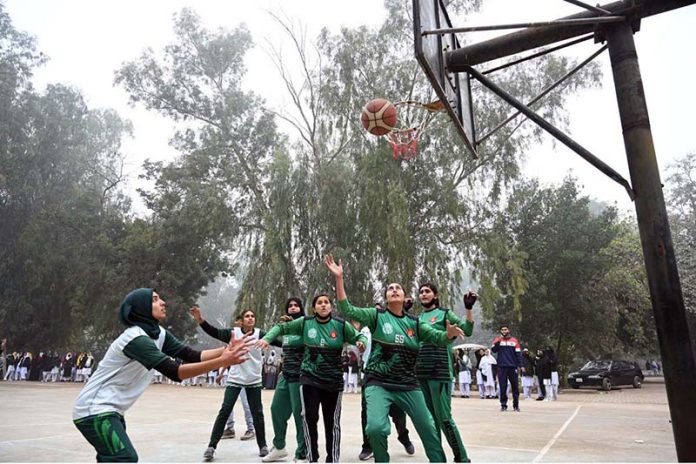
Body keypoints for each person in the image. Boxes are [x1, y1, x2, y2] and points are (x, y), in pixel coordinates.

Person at [73, 288, 251, 462]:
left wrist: (226, 349)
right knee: (125, 457)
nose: (163, 302)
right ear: (141, 307)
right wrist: (223, 361)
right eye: (155, 299)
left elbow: (191, 355)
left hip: (111, 411)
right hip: (94, 410)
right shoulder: (135, 339)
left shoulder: (158, 334)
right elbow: (174, 372)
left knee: (111, 458)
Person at [325, 255, 464, 463]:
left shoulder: (415, 324)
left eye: (398, 288)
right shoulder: (376, 316)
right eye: (390, 288)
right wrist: (339, 279)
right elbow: (347, 309)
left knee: (429, 428)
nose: (395, 290)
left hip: (408, 384)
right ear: (387, 297)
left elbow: (439, 338)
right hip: (378, 383)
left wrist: (450, 333)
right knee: (375, 428)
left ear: (405, 296)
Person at [257, 293, 367, 463]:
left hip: (332, 381)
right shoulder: (305, 323)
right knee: (308, 418)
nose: (323, 305)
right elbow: (280, 328)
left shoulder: (339, 325)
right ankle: (310, 457)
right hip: (308, 378)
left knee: (331, 422)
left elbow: (359, 336)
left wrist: (362, 342)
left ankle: (330, 458)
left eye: (326, 302)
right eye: (319, 303)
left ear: (331, 307)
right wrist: (267, 338)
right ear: (314, 308)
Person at [191, 307, 271, 461]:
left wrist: (290, 331)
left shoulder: (261, 334)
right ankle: (211, 447)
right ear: (241, 320)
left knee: (257, 413)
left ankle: (263, 445)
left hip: (253, 380)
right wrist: (200, 320)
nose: (250, 318)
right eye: (247, 316)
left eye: (252, 316)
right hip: (235, 378)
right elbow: (214, 331)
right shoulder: (233, 333)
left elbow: (279, 341)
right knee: (225, 410)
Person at [415, 283, 475, 462]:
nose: (423, 294)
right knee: (430, 421)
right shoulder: (417, 318)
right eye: (421, 292)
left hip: (440, 372)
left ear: (435, 295)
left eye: (427, 291)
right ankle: (437, 459)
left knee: (444, 419)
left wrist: (469, 308)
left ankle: (462, 458)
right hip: (421, 374)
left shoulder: (445, 314)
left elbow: (468, 330)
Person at [356, 316, 415, 461]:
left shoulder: (391, 327)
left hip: (390, 375)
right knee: (367, 412)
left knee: (398, 412)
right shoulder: (365, 331)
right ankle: (368, 445)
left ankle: (403, 436)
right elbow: (361, 343)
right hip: (370, 375)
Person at [261, 297, 308, 463]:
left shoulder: (306, 325)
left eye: (296, 305)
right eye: (290, 306)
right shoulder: (286, 327)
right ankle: (279, 447)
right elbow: (277, 337)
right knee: (276, 409)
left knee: (299, 414)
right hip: (285, 375)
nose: (293, 308)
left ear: (301, 308)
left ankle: (303, 452)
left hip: (300, 377)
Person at [491, 325, 523, 412]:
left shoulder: (514, 341)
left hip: (513, 367)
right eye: (502, 330)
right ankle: (503, 405)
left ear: (508, 330)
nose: (504, 331)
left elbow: (518, 354)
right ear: (500, 331)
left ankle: (516, 405)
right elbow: (494, 350)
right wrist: (498, 341)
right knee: (503, 387)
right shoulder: (497, 340)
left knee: (515, 387)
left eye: (505, 329)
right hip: (502, 367)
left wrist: (521, 365)